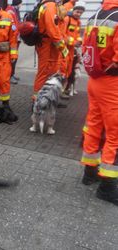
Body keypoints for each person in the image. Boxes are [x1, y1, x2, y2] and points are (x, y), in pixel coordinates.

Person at [80, 0, 118, 205]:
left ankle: (89, 172)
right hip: (112, 84)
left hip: (94, 80)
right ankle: (107, 187)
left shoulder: (95, 16)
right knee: (115, 135)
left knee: (93, 127)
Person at [33, 0, 68, 98]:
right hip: (47, 45)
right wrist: (62, 47)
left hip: (49, 45)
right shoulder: (50, 6)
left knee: (51, 72)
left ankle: (48, 98)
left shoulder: (49, 5)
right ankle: (37, 100)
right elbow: (52, 29)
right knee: (44, 72)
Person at [63, 1, 85, 95]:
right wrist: (73, 42)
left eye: (81, 13)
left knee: (69, 69)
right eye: (77, 12)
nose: (79, 14)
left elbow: (78, 34)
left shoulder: (78, 22)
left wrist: (80, 41)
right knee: (63, 68)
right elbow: (62, 34)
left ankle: (65, 89)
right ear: (73, 10)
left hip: (72, 49)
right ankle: (61, 90)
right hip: (64, 48)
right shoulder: (67, 19)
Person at [5, 0, 21, 84]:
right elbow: (13, 25)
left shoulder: (14, 10)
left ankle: (12, 74)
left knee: (15, 57)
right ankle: (10, 76)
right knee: (12, 58)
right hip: (13, 39)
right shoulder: (11, 10)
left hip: (16, 38)